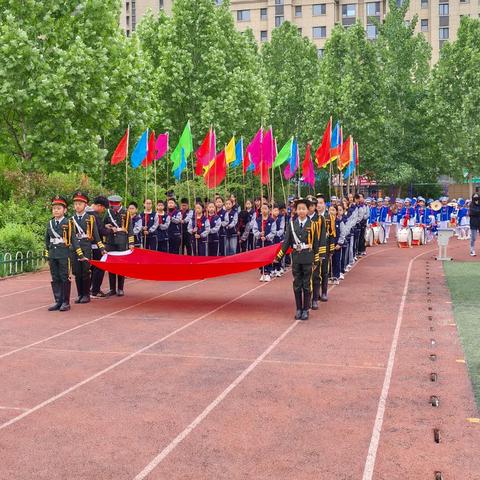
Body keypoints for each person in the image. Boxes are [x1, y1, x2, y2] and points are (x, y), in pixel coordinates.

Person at [276, 198, 320, 320]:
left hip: (308, 257)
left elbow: (316, 243)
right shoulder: (291, 224)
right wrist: (279, 256)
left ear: (307, 210)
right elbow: (286, 242)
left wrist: (316, 260)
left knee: (306, 284)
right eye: (299, 209)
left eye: (303, 209)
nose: (301, 211)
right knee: (297, 284)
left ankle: (306, 309)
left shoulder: (312, 225)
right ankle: (298, 309)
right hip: (296, 257)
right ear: (296, 210)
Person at [70, 192, 105, 304]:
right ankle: (80, 294)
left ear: (85, 205)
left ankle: (86, 294)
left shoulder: (90, 218)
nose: (77, 206)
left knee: (85, 271)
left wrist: (102, 248)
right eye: (75, 204)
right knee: (76, 272)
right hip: (74, 248)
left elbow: (96, 235)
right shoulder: (71, 219)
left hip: (86, 247)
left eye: (80, 204)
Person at [45, 196, 72, 312]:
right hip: (53, 253)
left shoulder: (68, 222)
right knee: (55, 277)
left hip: (64, 253)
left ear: (64, 210)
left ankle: (65, 302)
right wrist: (47, 253)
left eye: (59, 208)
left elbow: (73, 239)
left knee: (64, 276)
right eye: (54, 208)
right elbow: (46, 239)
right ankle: (58, 301)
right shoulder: (50, 223)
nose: (56, 210)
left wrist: (78, 253)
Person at [104, 195, 134, 296]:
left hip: (122, 241)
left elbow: (130, 228)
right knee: (111, 265)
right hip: (110, 241)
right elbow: (104, 223)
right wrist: (106, 225)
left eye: (116, 205)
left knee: (121, 265)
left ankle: (120, 288)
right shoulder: (108, 212)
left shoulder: (126, 213)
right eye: (112, 205)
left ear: (120, 203)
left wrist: (131, 243)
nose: (114, 208)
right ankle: (112, 289)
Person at [90, 196, 110, 298]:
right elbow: (100, 231)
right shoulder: (94, 215)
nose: (103, 211)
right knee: (100, 267)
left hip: (86, 246)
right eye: (103, 208)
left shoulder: (85, 213)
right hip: (96, 245)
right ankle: (95, 290)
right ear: (99, 206)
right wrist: (111, 230)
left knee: (91, 268)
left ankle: (89, 289)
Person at [253, 203, 277, 282]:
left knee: (268, 257)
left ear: (269, 210)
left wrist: (266, 237)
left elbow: (273, 232)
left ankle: (268, 272)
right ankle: (263, 272)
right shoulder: (258, 220)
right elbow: (255, 230)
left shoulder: (272, 220)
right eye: (262, 208)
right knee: (261, 256)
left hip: (269, 242)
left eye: (265, 208)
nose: (264, 210)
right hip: (260, 241)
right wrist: (260, 235)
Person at [312, 194, 328, 307]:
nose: (318, 205)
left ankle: (324, 292)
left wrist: (330, 249)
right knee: (314, 272)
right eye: (316, 203)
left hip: (324, 248)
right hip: (313, 249)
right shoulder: (311, 217)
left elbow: (331, 234)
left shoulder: (327, 217)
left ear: (324, 204)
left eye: (321, 203)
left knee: (324, 271)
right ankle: (315, 294)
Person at [271, 204, 286, 277]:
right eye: (275, 210)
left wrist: (275, 233)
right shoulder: (270, 219)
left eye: (277, 210)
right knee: (272, 254)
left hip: (279, 238)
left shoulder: (281, 218)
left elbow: (282, 230)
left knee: (278, 254)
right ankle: (273, 268)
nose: (276, 212)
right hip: (271, 239)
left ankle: (278, 268)